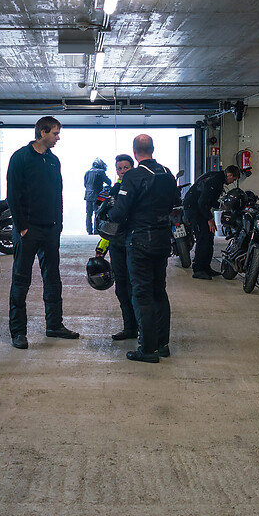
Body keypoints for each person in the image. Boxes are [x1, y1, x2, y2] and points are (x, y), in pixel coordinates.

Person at [7, 116, 79, 348]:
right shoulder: (20, 158)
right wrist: (22, 227)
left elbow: (57, 194)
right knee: (21, 281)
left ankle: (54, 325)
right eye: (55, 133)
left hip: (50, 230)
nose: (58, 138)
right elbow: (12, 195)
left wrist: (58, 225)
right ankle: (18, 332)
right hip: (28, 230)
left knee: (53, 280)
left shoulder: (53, 160)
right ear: (43, 132)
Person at [109, 134, 180, 363]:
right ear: (153, 148)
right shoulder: (167, 173)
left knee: (141, 293)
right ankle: (163, 344)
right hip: (162, 239)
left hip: (140, 240)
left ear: (134, 151)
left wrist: (111, 211)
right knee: (159, 291)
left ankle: (148, 349)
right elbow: (174, 203)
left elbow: (119, 212)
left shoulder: (133, 176)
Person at [95, 154, 137, 339]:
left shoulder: (138, 187)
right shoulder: (113, 191)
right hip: (116, 245)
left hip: (135, 244)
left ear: (132, 167)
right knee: (121, 288)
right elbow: (109, 224)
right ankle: (129, 328)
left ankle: (143, 328)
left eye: (126, 168)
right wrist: (101, 248)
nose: (122, 171)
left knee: (136, 288)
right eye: (119, 168)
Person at [184, 164, 241, 279]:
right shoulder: (215, 182)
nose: (232, 182)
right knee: (203, 238)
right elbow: (202, 202)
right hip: (193, 209)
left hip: (199, 208)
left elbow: (210, 200)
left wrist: (222, 206)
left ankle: (206, 267)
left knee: (209, 237)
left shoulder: (216, 177)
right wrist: (209, 219)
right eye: (233, 179)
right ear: (230, 175)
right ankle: (198, 270)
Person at [84, 157, 111, 234]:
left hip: (88, 195)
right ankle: (96, 230)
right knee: (97, 212)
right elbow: (109, 182)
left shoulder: (87, 172)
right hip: (97, 196)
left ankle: (89, 230)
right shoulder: (100, 172)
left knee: (89, 213)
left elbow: (85, 184)